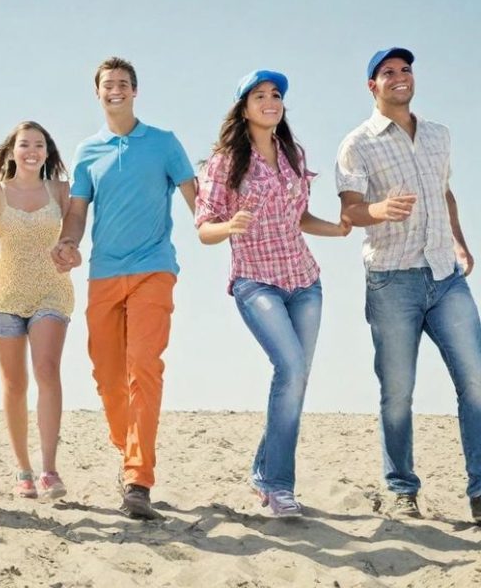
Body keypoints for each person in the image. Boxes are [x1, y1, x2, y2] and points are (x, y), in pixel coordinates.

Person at [195, 70, 351, 517]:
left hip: (304, 279)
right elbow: (205, 227)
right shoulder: (226, 161)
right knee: (291, 366)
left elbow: (300, 218)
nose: (270, 101)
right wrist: (229, 226)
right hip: (255, 280)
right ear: (243, 107)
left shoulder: (292, 154)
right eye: (260, 95)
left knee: (295, 378)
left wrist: (335, 230)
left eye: (276, 94)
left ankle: (265, 474)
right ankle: (280, 486)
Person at [336, 47, 481, 522]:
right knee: (397, 392)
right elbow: (351, 210)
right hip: (392, 280)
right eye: (387, 73)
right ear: (372, 86)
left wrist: (459, 244)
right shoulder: (357, 143)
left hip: (445, 277)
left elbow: (444, 193)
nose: (399, 77)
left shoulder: (439, 135)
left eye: (405, 70)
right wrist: (379, 210)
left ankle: (479, 491)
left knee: (476, 383)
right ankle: (402, 488)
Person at [52, 56, 196, 519]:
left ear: (136, 91)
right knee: (108, 376)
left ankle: (138, 479)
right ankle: (128, 449)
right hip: (104, 273)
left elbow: (202, 201)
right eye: (107, 84)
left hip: (154, 267)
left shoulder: (164, 143)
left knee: (143, 366)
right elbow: (77, 211)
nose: (115, 90)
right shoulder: (86, 152)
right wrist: (69, 242)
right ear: (98, 93)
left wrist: (224, 226)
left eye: (123, 83)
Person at [0, 121, 74, 499]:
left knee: (47, 370)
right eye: (24, 145)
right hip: (3, 293)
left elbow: (74, 232)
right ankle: (23, 469)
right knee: (14, 384)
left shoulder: (61, 190)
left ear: (47, 151)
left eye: (39, 145)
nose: (31, 151)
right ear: (12, 151)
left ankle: (49, 469)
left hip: (52, 289)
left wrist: (71, 249)